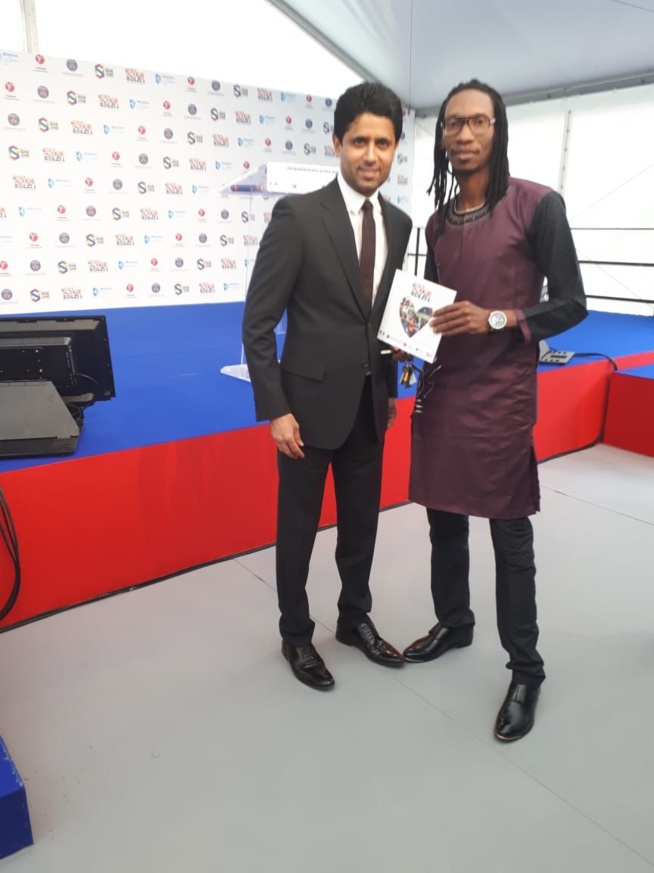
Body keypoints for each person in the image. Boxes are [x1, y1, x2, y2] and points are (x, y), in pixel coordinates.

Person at [403, 79, 586, 740]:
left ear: (497, 129)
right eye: (453, 124)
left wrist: (499, 317)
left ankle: (526, 669)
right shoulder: (438, 221)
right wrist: (405, 340)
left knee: (510, 537)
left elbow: (571, 302)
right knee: (444, 524)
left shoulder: (538, 204)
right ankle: (455, 623)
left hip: (503, 396)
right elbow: (429, 307)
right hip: (443, 393)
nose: (463, 134)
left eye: (477, 122)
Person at [242, 82, 413, 691]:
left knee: (362, 525)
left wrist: (390, 390)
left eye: (384, 143)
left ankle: (353, 620)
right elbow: (258, 322)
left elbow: (386, 317)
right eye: (360, 141)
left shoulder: (399, 221)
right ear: (338, 142)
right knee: (298, 528)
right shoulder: (297, 215)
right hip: (306, 410)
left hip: (370, 408)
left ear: (396, 148)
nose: (372, 154)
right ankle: (295, 633)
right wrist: (276, 409)